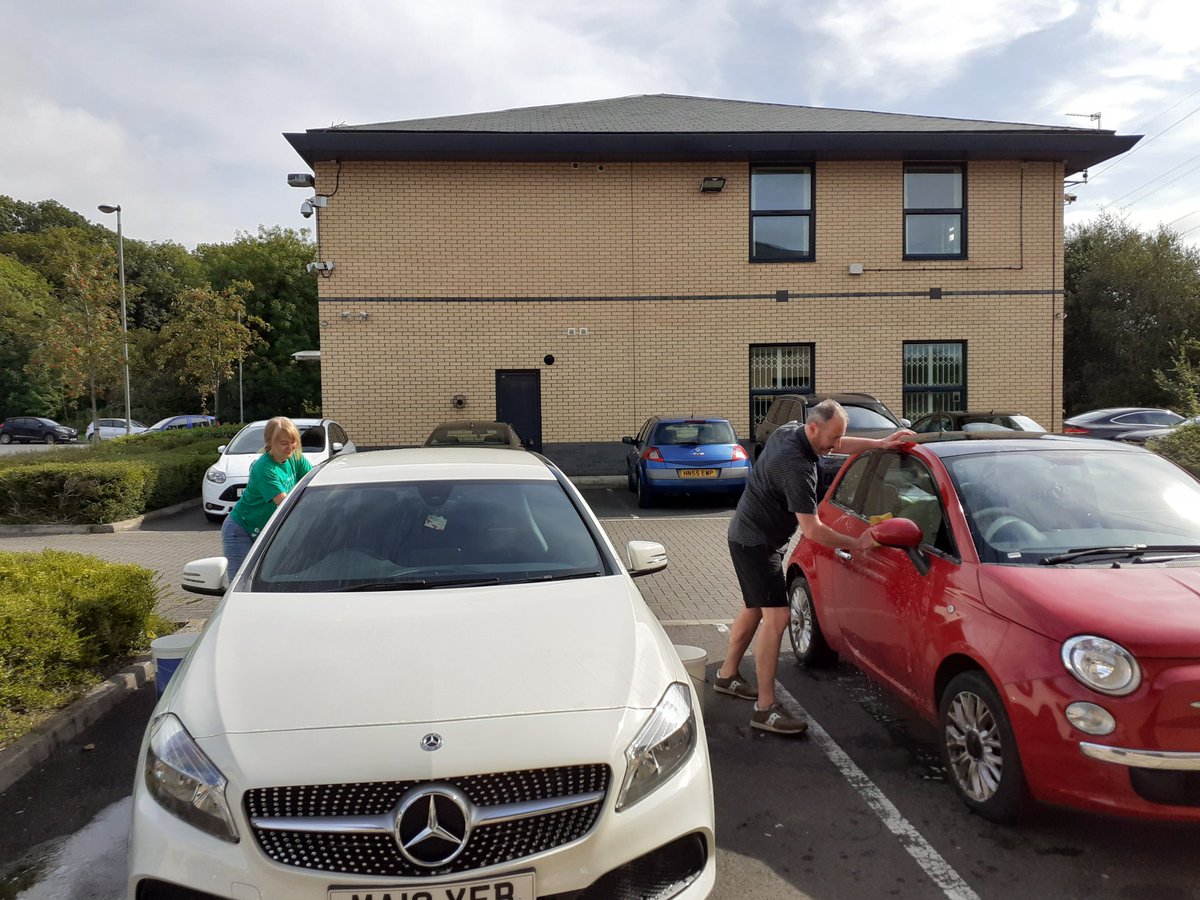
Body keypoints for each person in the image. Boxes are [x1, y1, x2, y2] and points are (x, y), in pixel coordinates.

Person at [715, 399, 914, 735]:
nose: (835, 447)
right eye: (831, 439)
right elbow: (813, 530)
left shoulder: (791, 430)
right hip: (756, 543)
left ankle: (726, 675)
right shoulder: (797, 468)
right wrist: (859, 542)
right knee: (776, 618)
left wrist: (879, 444)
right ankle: (765, 709)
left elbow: (838, 443)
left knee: (755, 609)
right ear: (813, 428)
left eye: (839, 438)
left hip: (749, 534)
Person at [221, 417, 312, 581]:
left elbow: (312, 482)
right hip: (242, 529)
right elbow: (285, 504)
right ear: (270, 442)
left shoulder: (295, 458)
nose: (290, 447)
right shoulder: (264, 468)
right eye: (284, 443)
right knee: (241, 582)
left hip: (267, 530)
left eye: (293, 441)